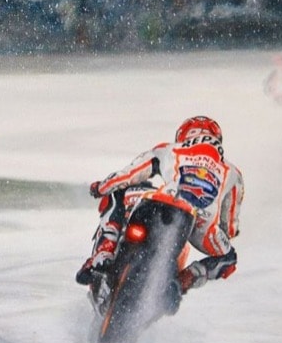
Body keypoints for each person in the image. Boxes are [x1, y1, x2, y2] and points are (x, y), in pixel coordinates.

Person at [76, 116, 244, 311]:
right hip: (200, 224)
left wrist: (100, 188)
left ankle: (103, 254)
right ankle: (182, 281)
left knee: (116, 193)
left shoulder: (169, 149)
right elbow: (230, 227)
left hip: (160, 202)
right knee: (229, 258)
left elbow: (127, 176)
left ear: (183, 135)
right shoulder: (232, 172)